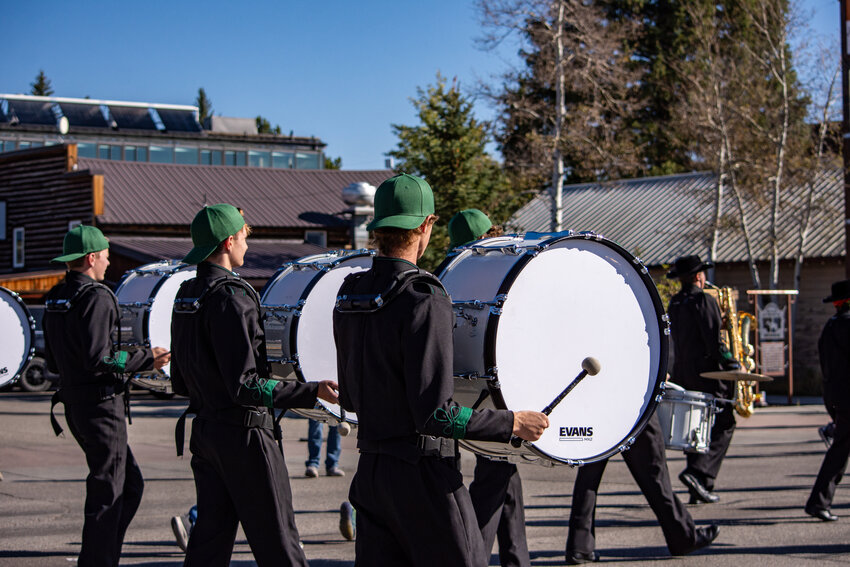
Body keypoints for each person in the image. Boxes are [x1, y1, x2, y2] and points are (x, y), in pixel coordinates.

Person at [333, 174, 549, 567]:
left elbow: (349, 397)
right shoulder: (424, 296)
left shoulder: (349, 292)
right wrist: (512, 422)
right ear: (425, 226)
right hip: (424, 480)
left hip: (371, 475)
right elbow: (436, 414)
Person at [170, 203, 339, 566]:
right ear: (229, 241)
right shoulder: (233, 297)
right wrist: (312, 391)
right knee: (279, 543)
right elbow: (247, 387)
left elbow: (180, 381)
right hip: (244, 438)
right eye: (246, 236)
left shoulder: (185, 295)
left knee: (209, 543)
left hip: (206, 433)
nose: (248, 244)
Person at [42, 225, 170, 567]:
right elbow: (101, 359)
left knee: (129, 486)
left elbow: (53, 358)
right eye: (106, 255)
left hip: (75, 403)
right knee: (109, 493)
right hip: (100, 407)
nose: (108, 262)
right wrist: (146, 357)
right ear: (91, 257)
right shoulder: (96, 296)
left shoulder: (56, 296)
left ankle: (104, 556)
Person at [448, 208, 531, 567]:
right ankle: (474, 555)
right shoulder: (498, 272)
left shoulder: (453, 275)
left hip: (469, 386)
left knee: (504, 474)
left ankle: (517, 559)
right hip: (495, 390)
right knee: (494, 473)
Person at [565, 412, 720, 564]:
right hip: (633, 402)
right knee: (654, 471)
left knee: (590, 472)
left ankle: (580, 544)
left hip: (598, 404)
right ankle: (682, 536)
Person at [666, 254, 738, 504]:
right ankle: (699, 473)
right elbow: (713, 341)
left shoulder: (674, 303)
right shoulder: (703, 300)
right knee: (725, 421)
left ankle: (700, 487)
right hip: (709, 373)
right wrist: (732, 363)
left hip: (684, 373)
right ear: (699, 276)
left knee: (695, 426)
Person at [804, 279, 850, 522]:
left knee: (840, 451)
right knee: (839, 451)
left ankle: (819, 502)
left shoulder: (830, 326)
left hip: (836, 396)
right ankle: (818, 502)